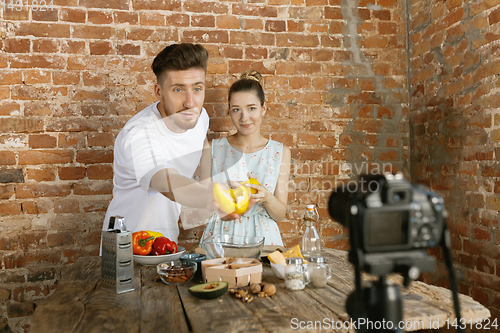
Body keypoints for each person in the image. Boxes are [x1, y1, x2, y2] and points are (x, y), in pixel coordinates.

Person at [102, 43, 216, 244]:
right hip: (127, 251)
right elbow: (166, 181)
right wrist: (213, 197)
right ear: (158, 91)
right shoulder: (138, 135)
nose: (190, 102)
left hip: (166, 244)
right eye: (178, 89)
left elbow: (203, 142)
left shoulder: (199, 116)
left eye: (197, 88)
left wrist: (206, 183)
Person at [200, 71, 291, 246]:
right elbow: (202, 209)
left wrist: (267, 197)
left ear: (263, 108)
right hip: (220, 237)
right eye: (236, 110)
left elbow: (280, 215)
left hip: (264, 241)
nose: (244, 117)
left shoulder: (280, 152)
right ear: (229, 111)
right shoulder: (212, 149)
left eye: (251, 108)